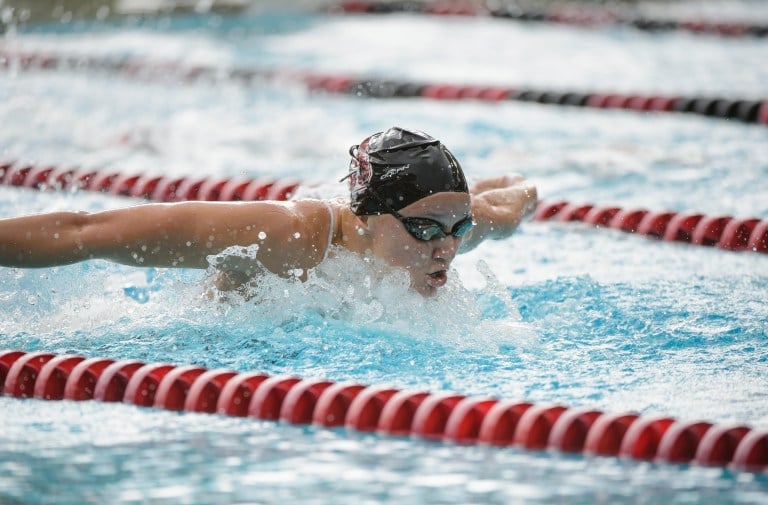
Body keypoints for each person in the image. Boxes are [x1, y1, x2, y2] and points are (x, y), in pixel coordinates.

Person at [0, 127, 537, 297]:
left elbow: (512, 201)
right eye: (426, 228)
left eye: (458, 227)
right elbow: (90, 231)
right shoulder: (286, 235)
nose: (447, 248)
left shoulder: (440, 236)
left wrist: (508, 188)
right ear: (369, 218)